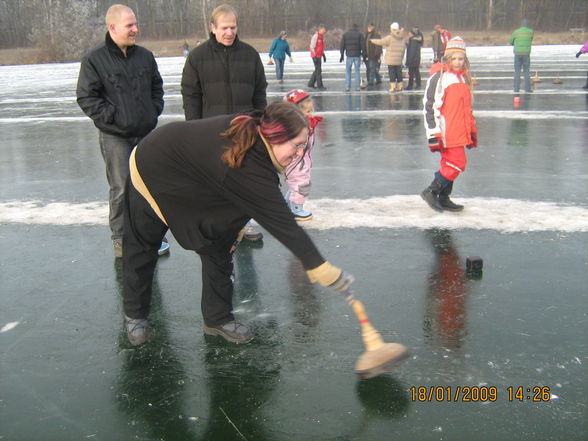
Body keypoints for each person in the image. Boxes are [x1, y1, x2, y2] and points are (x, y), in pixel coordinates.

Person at [122, 101, 354, 346]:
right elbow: (282, 222)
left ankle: (217, 319)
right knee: (143, 242)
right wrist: (319, 266)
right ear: (274, 136)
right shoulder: (249, 168)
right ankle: (135, 315)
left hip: (200, 174)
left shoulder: (258, 143)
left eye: (303, 146)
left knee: (221, 238)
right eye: (296, 146)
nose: (300, 153)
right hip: (153, 164)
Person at [76, 4, 168, 259]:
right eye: (130, 25)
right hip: (115, 135)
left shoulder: (145, 57)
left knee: (148, 184)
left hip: (146, 133)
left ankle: (151, 235)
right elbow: (86, 97)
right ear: (113, 27)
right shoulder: (94, 60)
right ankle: (121, 238)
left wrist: (153, 111)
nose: (135, 29)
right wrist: (113, 118)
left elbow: (156, 89)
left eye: (136, 24)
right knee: (121, 187)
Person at [181, 4, 267, 242]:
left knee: (245, 180)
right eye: (224, 28)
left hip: (245, 129)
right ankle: (216, 225)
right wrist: (194, 128)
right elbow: (190, 94)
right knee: (214, 180)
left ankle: (244, 224)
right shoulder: (198, 57)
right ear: (213, 28)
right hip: (211, 130)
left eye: (233, 27)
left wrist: (258, 120)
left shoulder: (250, 55)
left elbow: (260, 91)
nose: (229, 32)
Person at [421, 37, 477, 212]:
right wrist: (433, 133)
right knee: (457, 162)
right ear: (448, 58)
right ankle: (431, 191)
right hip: (446, 130)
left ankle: (444, 197)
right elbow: (429, 106)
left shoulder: (462, 78)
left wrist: (471, 130)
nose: (458, 62)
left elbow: (467, 108)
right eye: (454, 58)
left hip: (460, 129)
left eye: (461, 58)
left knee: (449, 163)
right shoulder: (440, 77)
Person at [283, 89, 323, 221]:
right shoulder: (296, 126)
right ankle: (296, 208)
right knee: (301, 183)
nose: (309, 115)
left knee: (297, 182)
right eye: (307, 112)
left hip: (301, 159)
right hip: (296, 160)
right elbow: (295, 141)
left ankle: (288, 204)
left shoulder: (302, 124)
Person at [370, 22, 406, 92]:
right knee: (399, 73)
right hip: (398, 59)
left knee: (392, 73)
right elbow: (404, 49)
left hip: (391, 59)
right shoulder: (402, 38)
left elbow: (381, 42)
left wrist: (372, 41)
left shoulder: (390, 38)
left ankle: (393, 87)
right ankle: (400, 86)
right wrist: (401, 58)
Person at [509, 19, 534, 93]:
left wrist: (515, 44)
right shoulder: (530, 32)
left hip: (517, 53)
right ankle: (527, 89)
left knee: (517, 71)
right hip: (526, 53)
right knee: (526, 71)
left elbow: (511, 41)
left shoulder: (516, 32)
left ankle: (516, 89)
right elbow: (531, 39)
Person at [340, 24, 366, 92]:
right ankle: (357, 87)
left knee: (348, 71)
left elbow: (342, 45)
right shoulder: (360, 34)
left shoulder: (345, 35)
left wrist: (342, 55)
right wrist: (364, 55)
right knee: (357, 71)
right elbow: (363, 46)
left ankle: (347, 87)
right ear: (357, 28)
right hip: (357, 55)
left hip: (349, 55)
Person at [308, 24, 327, 90]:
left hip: (319, 55)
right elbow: (312, 46)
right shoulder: (316, 36)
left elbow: (320, 47)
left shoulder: (321, 37)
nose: (325, 30)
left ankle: (311, 83)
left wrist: (323, 54)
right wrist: (314, 55)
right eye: (323, 29)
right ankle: (319, 85)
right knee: (318, 70)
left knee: (317, 69)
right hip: (316, 56)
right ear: (320, 29)